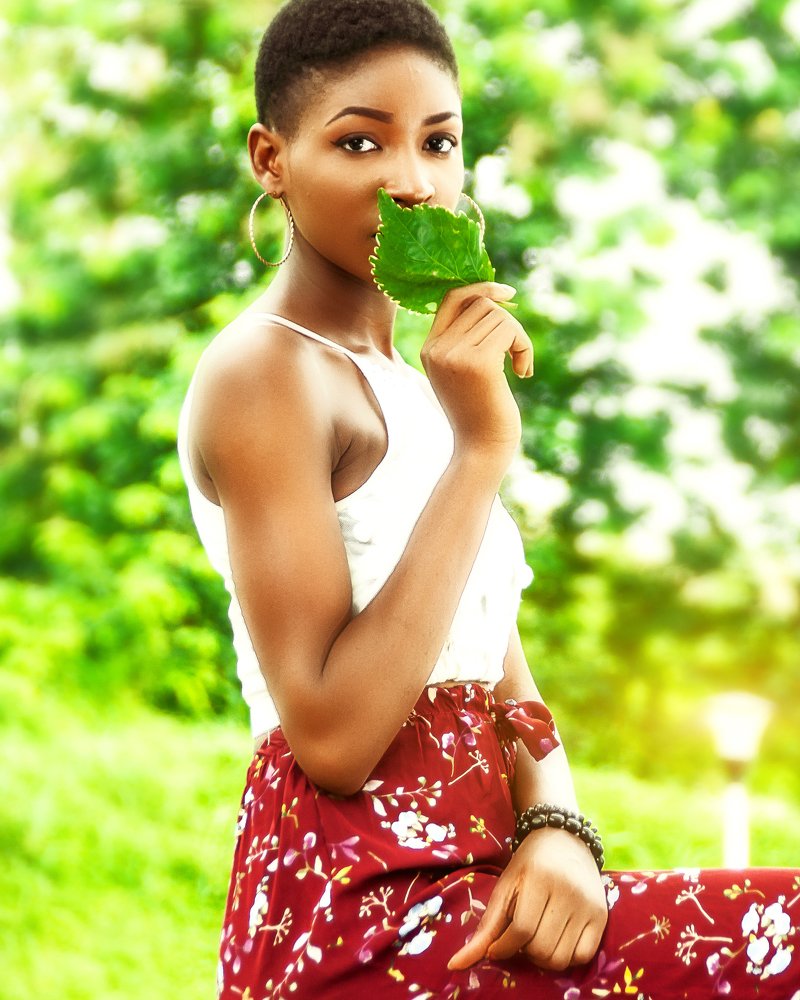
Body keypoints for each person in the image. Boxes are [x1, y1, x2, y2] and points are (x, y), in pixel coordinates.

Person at [177, 1, 800, 996]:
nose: (410, 179)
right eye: (357, 140)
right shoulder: (263, 373)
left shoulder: (428, 386)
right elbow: (331, 739)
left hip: (496, 882)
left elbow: (500, 674)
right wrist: (479, 455)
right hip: (364, 904)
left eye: (438, 141)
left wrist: (556, 827)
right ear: (271, 158)